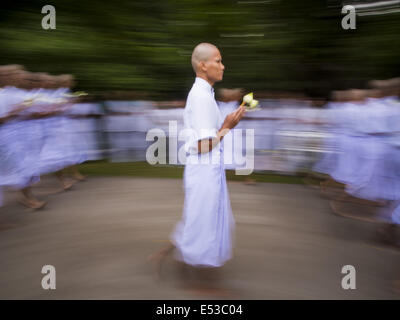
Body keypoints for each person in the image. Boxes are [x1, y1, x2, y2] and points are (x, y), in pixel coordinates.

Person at [148, 43, 246, 288]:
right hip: (204, 168)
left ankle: (171, 258)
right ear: (203, 65)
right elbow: (204, 145)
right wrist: (227, 127)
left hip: (208, 167)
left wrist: (225, 125)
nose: (223, 66)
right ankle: (202, 282)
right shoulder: (201, 97)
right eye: (218, 61)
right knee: (204, 222)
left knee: (201, 219)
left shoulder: (205, 94)